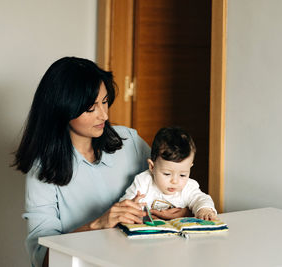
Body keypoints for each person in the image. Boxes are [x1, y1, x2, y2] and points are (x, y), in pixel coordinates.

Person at [13, 57, 190, 267]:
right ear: (62, 109)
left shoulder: (129, 141)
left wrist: (182, 210)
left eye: (105, 102)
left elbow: (174, 188)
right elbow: (43, 259)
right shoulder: (43, 169)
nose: (104, 115)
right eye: (91, 108)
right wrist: (99, 224)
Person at [120, 127, 218, 221]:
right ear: (152, 167)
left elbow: (201, 199)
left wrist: (204, 210)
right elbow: (123, 207)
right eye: (167, 174)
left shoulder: (188, 187)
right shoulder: (142, 183)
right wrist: (133, 207)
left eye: (182, 175)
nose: (174, 181)